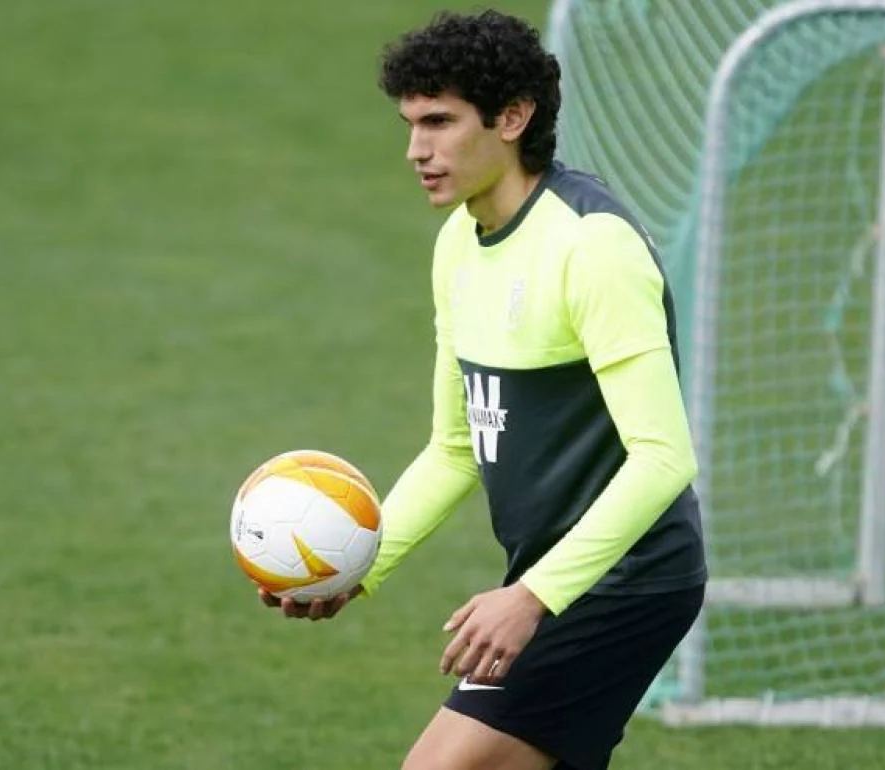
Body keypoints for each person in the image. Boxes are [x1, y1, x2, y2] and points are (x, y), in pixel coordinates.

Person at [260, 9, 707, 769]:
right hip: (560, 574)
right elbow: (456, 446)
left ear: (513, 117)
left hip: (627, 580)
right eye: (409, 124)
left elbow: (664, 460)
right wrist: (362, 565)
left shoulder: (591, 249)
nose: (417, 150)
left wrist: (533, 596)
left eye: (439, 122)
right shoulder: (459, 247)